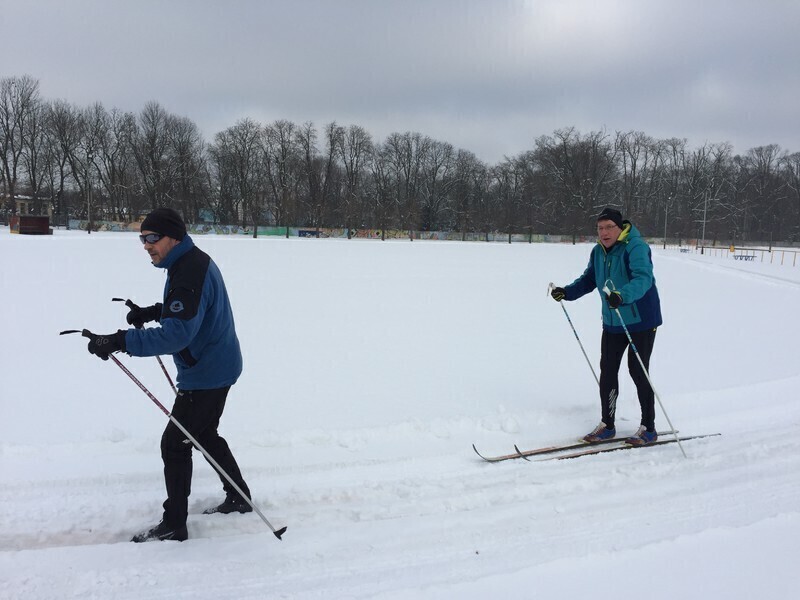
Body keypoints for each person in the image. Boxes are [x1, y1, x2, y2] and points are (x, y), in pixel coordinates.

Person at [84, 207, 253, 542]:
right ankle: (239, 496)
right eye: (142, 239)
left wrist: (119, 340)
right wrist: (156, 311)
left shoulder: (188, 272)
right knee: (203, 434)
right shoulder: (189, 262)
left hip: (208, 372)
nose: (146, 245)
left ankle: (175, 524)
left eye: (152, 238)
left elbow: (177, 335)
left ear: (173, 237)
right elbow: (192, 312)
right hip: (218, 363)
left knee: (174, 444)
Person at [550, 207, 663, 446]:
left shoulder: (636, 247)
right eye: (600, 228)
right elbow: (589, 279)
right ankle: (607, 425)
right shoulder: (598, 252)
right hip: (613, 321)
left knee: (637, 370)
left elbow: (644, 279)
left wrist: (623, 295)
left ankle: (649, 428)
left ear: (620, 227)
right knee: (608, 371)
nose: (604, 232)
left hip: (640, 320)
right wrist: (567, 292)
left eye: (609, 227)